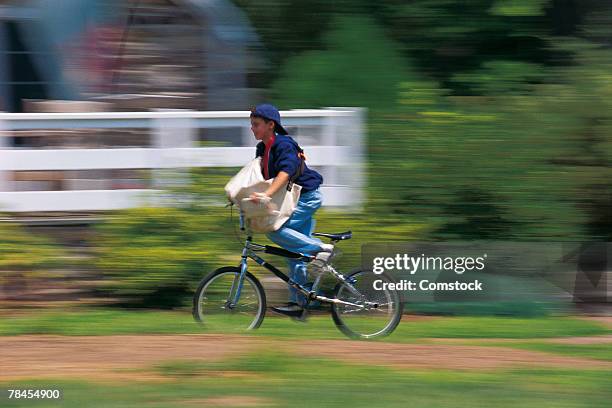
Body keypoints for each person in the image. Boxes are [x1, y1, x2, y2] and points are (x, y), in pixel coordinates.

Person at [248, 103, 333, 318]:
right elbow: (257, 177)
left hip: (306, 198)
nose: (252, 129)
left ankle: (322, 249)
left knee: (275, 229)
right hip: (291, 199)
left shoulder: (284, 144)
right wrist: (242, 196)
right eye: (251, 124)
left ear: (270, 125)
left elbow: (286, 172)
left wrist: (267, 196)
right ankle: (300, 304)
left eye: (256, 124)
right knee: (294, 253)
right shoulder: (262, 148)